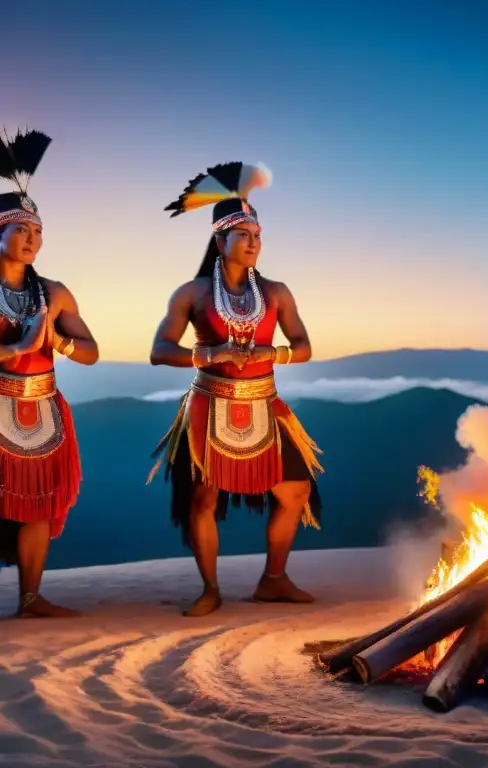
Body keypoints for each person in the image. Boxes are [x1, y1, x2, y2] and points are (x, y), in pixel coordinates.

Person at [148, 161, 324, 617]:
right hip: (209, 405)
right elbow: (159, 349)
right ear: (220, 240)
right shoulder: (191, 292)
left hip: (265, 404)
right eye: (243, 234)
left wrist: (274, 354)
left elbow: (303, 345)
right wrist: (210, 354)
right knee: (203, 497)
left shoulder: (277, 292)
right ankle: (210, 588)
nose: (254, 243)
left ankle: (274, 579)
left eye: (258, 235)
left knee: (296, 491)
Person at [0, 128, 99, 618]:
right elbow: (19, 347)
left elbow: (91, 351)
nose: (32, 240)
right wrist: (18, 345)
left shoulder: (54, 292)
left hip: (43, 409)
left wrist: (55, 340)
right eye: (22, 230)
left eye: (38, 232)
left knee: (38, 505)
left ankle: (31, 598)